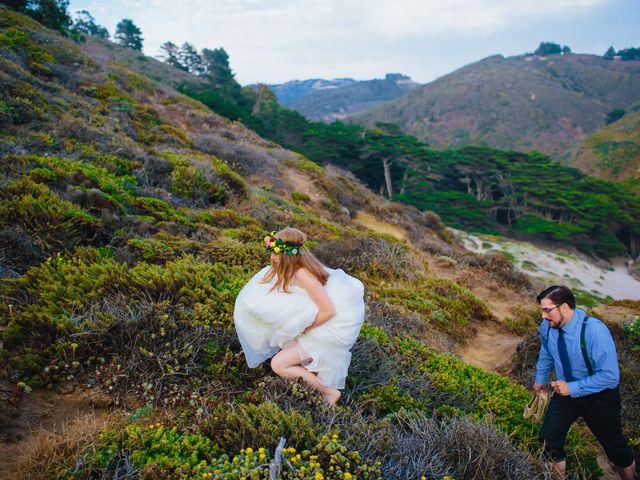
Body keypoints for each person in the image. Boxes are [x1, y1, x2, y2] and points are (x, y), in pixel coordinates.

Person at [233, 227, 365, 406]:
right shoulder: (291, 270)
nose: (272, 257)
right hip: (324, 321)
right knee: (295, 359)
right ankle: (318, 393)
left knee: (279, 364)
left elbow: (328, 311)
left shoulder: (303, 274)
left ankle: (329, 393)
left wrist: (301, 329)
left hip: (332, 327)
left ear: (287, 255)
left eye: (275, 253)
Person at [533, 285, 636, 479]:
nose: (543, 316)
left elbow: (610, 376)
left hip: (600, 396)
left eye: (547, 310)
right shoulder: (547, 327)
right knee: (549, 439)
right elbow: (546, 353)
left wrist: (572, 387)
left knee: (615, 448)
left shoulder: (594, 331)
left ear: (564, 307)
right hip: (565, 395)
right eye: (542, 310)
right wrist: (540, 380)